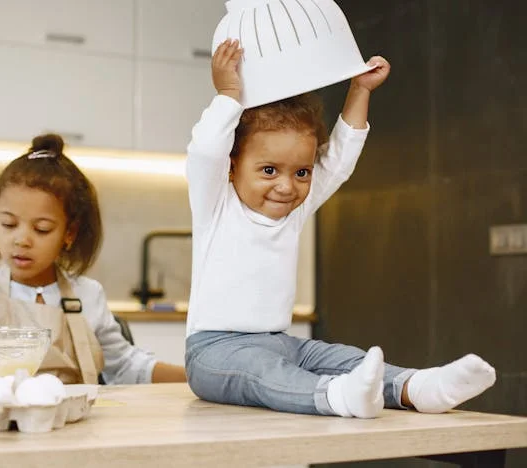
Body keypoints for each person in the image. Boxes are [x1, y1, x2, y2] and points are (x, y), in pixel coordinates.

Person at [183, 39, 495, 417]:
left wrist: (359, 90)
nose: (287, 185)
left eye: (301, 172)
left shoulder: (293, 210)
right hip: (214, 351)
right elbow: (205, 150)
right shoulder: (217, 202)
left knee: (344, 357)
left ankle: (416, 387)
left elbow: (340, 159)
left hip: (281, 341)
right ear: (232, 166)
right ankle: (336, 396)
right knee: (263, 373)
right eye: (269, 170)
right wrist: (229, 94)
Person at [0, 134, 187, 385]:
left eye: (41, 229)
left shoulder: (87, 296)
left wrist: (196, 378)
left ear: (69, 234)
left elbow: (127, 366)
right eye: (8, 224)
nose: (21, 239)